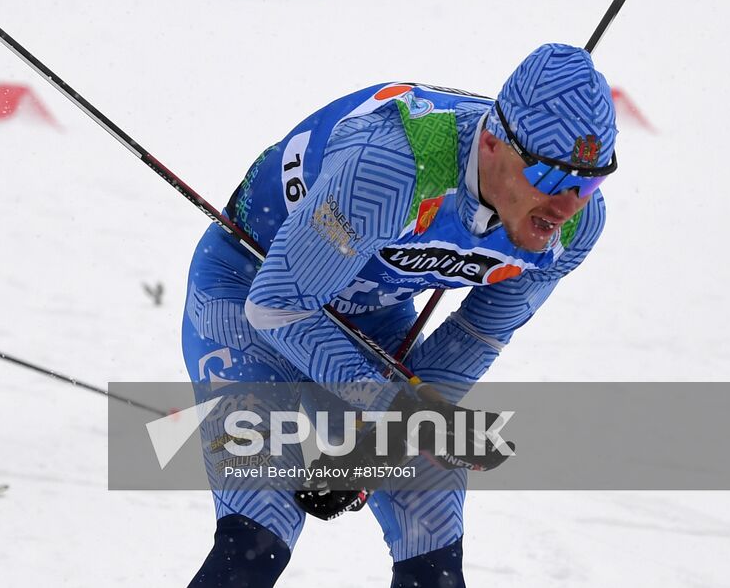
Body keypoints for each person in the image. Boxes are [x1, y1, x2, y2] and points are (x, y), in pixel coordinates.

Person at [182, 44, 617, 587]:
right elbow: (277, 305)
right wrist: (395, 416)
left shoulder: (576, 226)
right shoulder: (391, 170)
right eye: (553, 179)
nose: (567, 205)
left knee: (432, 526)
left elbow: (478, 335)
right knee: (261, 531)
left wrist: (373, 447)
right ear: (490, 144)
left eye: (591, 181)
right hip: (251, 294)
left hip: (371, 321)